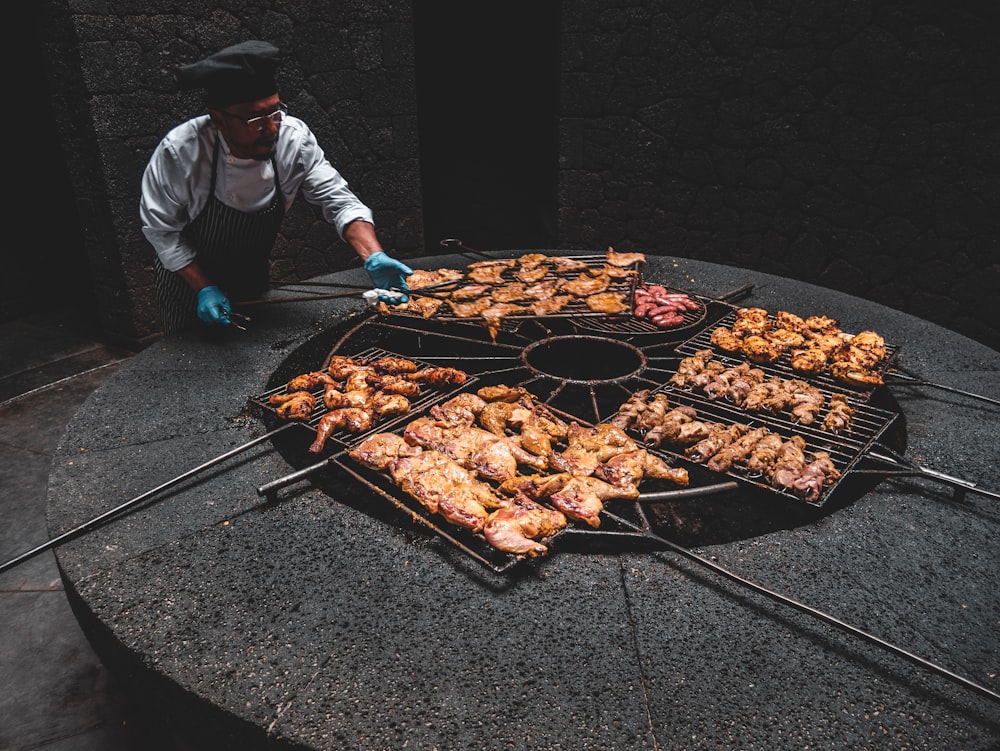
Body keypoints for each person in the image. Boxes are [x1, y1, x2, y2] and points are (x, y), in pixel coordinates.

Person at [140, 40, 412, 333]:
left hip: (251, 277)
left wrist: (373, 255)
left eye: (275, 113)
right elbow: (163, 233)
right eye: (255, 119)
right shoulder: (180, 152)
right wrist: (204, 287)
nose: (271, 129)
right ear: (219, 118)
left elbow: (338, 200)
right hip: (187, 284)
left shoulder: (294, 139)